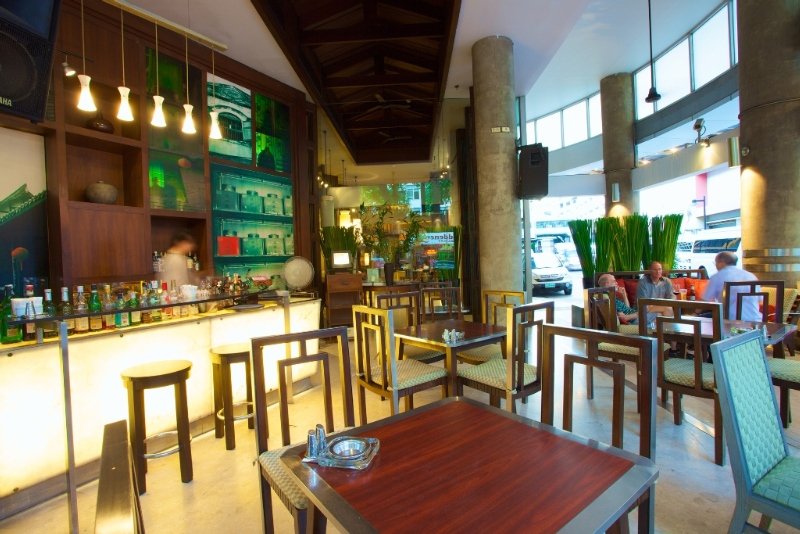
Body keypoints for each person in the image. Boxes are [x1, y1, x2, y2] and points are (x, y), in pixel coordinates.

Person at [702, 251, 760, 321]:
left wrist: (694, 313)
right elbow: (759, 299)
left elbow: (705, 301)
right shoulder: (751, 276)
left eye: (716, 263)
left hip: (730, 321)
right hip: (755, 320)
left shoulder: (717, 277)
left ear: (721, 263)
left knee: (701, 318)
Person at [636, 261, 675, 325]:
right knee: (667, 309)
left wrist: (661, 306)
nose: (658, 272)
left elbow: (672, 299)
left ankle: (664, 330)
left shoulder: (667, 281)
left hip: (661, 309)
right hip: (646, 310)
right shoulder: (643, 282)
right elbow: (643, 304)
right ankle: (668, 330)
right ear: (650, 270)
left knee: (663, 312)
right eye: (655, 269)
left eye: (659, 269)